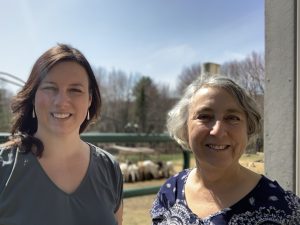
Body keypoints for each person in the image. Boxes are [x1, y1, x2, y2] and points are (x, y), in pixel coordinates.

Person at [150, 75, 300, 224]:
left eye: (232, 118)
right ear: (184, 128)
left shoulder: (283, 209)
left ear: (248, 128)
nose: (218, 131)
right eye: (204, 116)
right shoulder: (170, 192)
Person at [0, 44, 123, 225]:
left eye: (75, 90)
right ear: (33, 96)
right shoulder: (4, 167)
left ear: (89, 100)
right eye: (50, 88)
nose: (61, 101)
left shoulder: (109, 168)